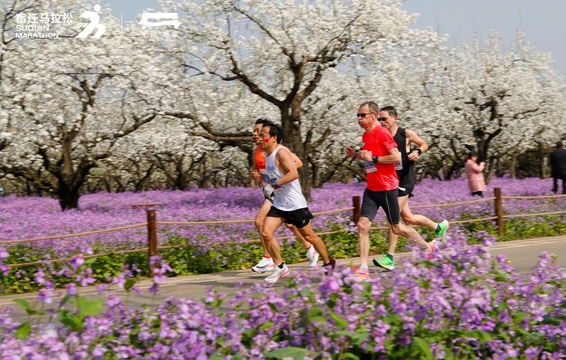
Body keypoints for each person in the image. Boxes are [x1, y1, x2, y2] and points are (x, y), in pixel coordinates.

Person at [345, 101, 436, 280]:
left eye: (362, 115)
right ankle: (364, 269)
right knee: (362, 226)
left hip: (387, 188)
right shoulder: (366, 136)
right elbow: (369, 159)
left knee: (397, 228)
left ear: (373, 116)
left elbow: (396, 157)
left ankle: (428, 247)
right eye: (358, 115)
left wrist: (375, 158)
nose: (359, 118)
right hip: (371, 188)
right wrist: (356, 155)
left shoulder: (382, 133)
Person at [372, 106, 449, 271]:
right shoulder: (382, 136)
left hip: (405, 182)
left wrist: (417, 152)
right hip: (391, 182)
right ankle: (438, 227)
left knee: (393, 220)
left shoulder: (405, 134)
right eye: (379, 119)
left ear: (394, 118)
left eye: (384, 119)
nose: (381, 122)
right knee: (408, 219)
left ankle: (390, 258)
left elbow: (423, 144)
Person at [259, 121, 336, 284]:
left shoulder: (282, 152)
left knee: (309, 236)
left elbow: (293, 173)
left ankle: (328, 262)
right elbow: (276, 176)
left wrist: (273, 185)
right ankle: (280, 266)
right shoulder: (267, 155)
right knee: (266, 232)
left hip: (295, 205)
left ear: (273, 138)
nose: (259, 138)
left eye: (262, 135)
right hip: (280, 204)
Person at [250, 119, 319, 273]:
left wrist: (280, 177)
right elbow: (257, 170)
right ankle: (310, 247)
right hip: (271, 190)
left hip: (279, 190)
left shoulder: (279, 150)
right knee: (291, 225)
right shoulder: (257, 151)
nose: (255, 135)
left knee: (259, 221)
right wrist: (256, 174)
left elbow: (298, 163)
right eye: (254, 132)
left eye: (259, 132)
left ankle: (268, 259)